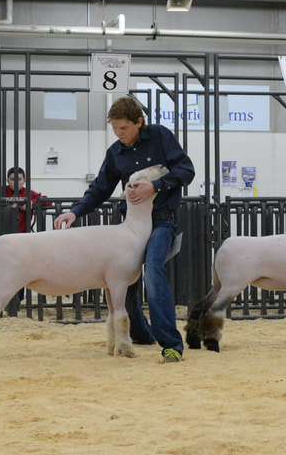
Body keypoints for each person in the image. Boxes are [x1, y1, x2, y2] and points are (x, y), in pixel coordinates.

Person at [53, 95, 195, 363]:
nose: (119, 134)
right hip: (129, 225)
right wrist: (75, 212)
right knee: (122, 279)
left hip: (161, 219)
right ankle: (140, 334)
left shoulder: (160, 136)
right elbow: (100, 188)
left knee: (153, 269)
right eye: (115, 128)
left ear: (139, 122)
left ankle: (171, 345)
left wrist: (156, 186)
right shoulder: (115, 153)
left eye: (124, 128)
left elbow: (186, 170)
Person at [0, 167, 48, 232]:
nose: (16, 182)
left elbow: (46, 200)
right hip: (1, 233)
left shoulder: (28, 193)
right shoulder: (0, 191)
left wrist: (33, 203)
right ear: (7, 181)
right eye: (12, 179)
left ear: (24, 181)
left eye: (19, 179)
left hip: (22, 234)